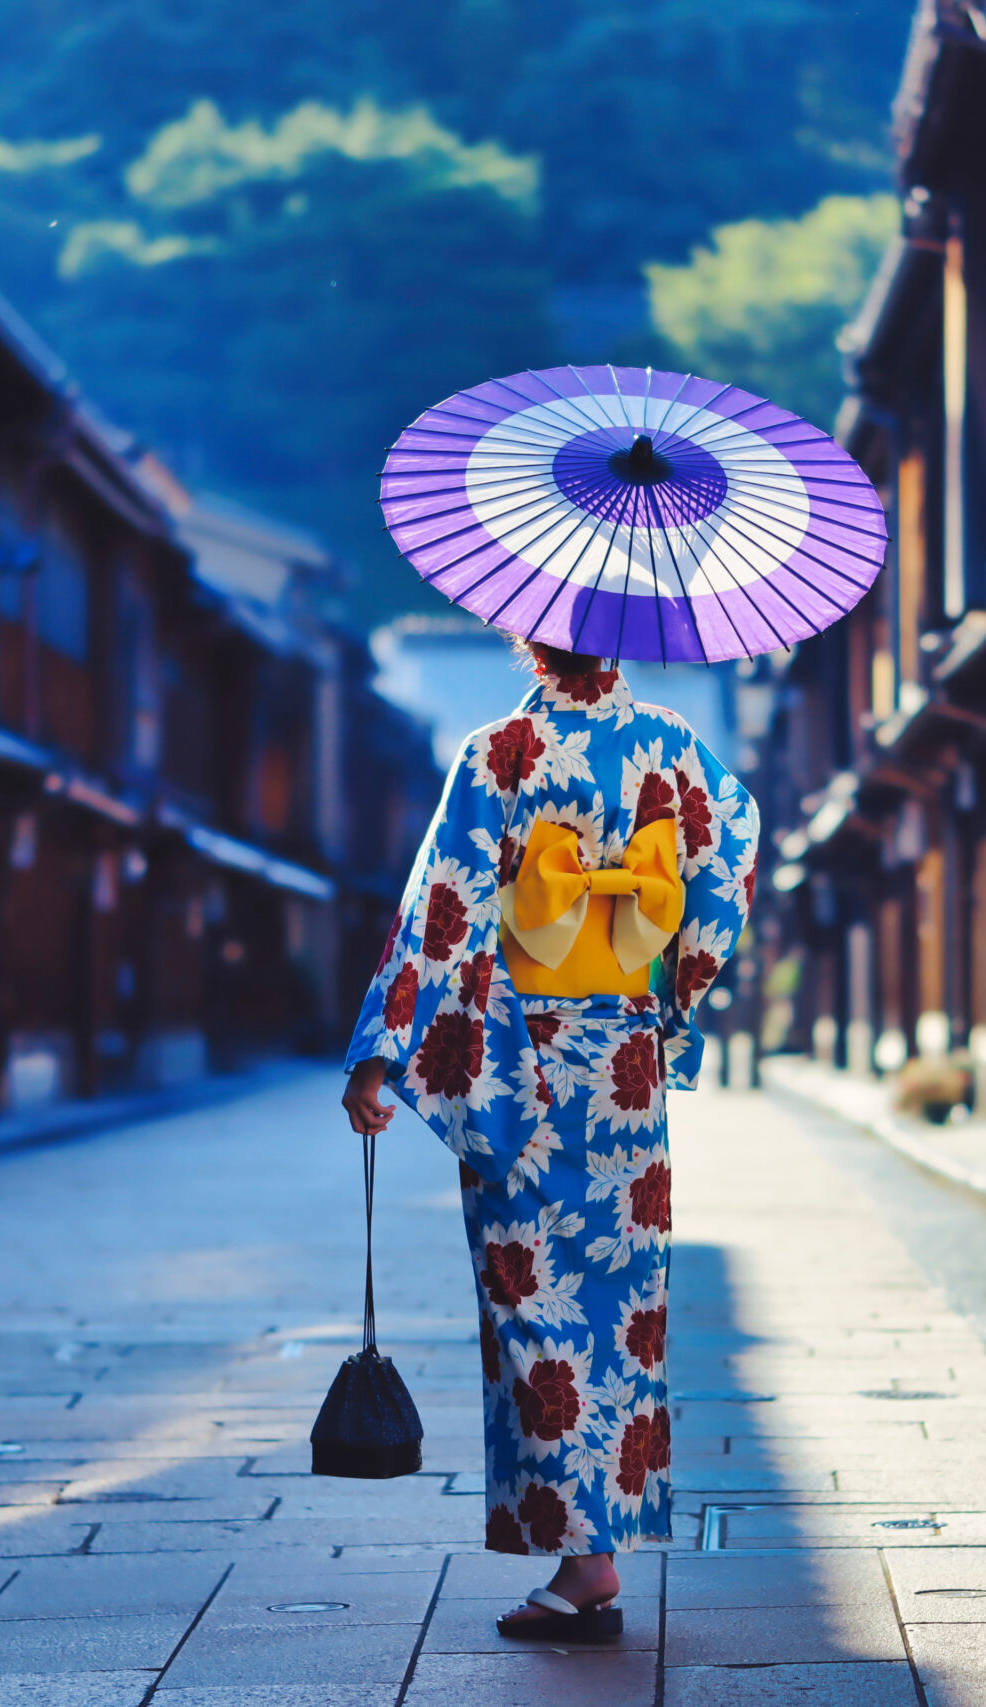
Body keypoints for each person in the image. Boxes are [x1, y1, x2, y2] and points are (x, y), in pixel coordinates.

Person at [340, 637, 757, 1644]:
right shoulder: (674, 747)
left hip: (523, 1060)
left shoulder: (501, 752)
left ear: (528, 637)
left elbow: (443, 911)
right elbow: (729, 861)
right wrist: (672, 986)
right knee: (626, 1314)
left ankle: (583, 1561)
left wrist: (381, 1051)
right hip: (625, 1069)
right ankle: (597, 1549)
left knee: (531, 1306)